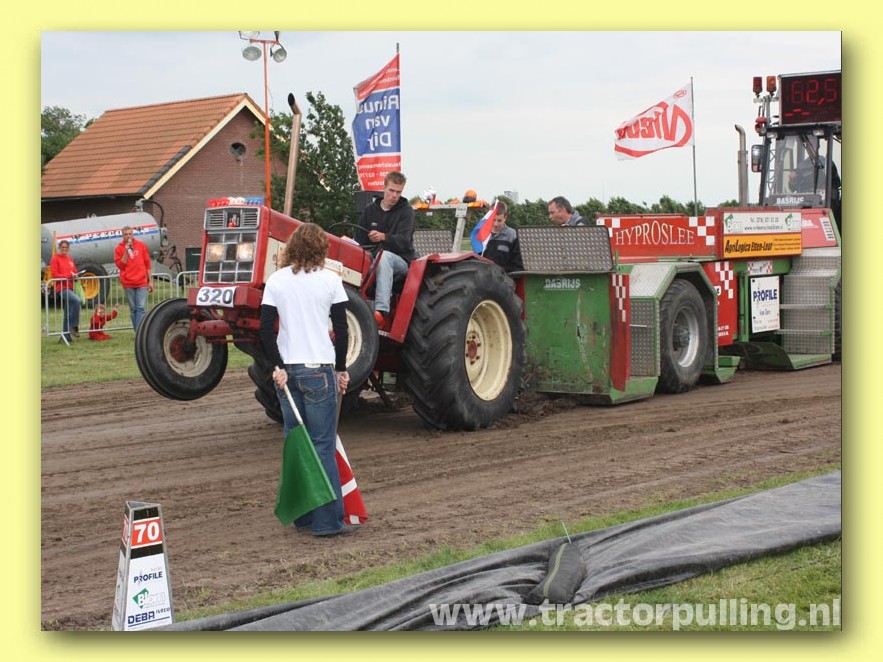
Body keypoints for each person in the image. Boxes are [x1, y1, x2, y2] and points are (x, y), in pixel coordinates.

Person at [260, 223, 356, 538]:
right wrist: (341, 369)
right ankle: (327, 522)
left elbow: (265, 329)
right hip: (318, 371)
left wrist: (276, 366)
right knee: (322, 444)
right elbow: (341, 330)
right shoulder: (331, 280)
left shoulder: (276, 280)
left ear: (291, 248)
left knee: (297, 443)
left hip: (287, 374)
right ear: (321, 249)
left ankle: (303, 516)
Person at [355, 171, 416, 329]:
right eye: (391, 191)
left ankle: (381, 311)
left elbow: (405, 242)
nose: (394, 196)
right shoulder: (370, 210)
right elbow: (359, 240)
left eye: (398, 192)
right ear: (384, 188)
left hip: (400, 261)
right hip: (372, 256)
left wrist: (384, 237)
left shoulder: (406, 211)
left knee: (385, 257)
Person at [114, 226, 154, 330]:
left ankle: (139, 331)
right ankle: (137, 330)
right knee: (133, 309)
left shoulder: (141, 245)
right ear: (123, 236)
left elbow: (147, 264)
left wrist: (150, 281)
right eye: (126, 234)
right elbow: (120, 265)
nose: (128, 236)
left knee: (141, 308)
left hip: (142, 282)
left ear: (132, 234)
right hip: (128, 283)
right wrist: (126, 251)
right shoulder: (119, 248)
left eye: (130, 234)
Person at [49, 240, 81, 344]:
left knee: (67, 312)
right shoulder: (55, 258)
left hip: (70, 287)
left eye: (66, 247)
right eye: (62, 247)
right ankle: (74, 326)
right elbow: (55, 274)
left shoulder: (69, 259)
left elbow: (74, 271)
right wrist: (68, 276)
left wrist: (76, 275)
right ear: (59, 248)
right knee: (77, 300)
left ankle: (66, 337)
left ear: (68, 248)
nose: (64, 249)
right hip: (62, 288)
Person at [482, 200, 524, 273]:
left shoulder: (512, 236)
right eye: (493, 220)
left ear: (505, 218)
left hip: (505, 277)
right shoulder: (482, 235)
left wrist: (501, 273)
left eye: (499, 220)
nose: (496, 224)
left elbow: (518, 265)